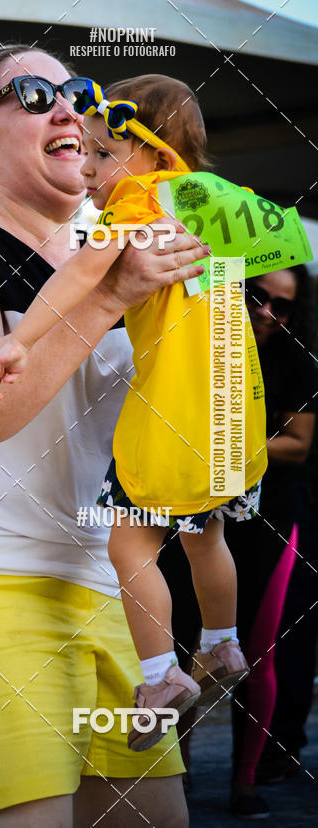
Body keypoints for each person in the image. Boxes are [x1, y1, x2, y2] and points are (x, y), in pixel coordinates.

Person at [0, 45, 209, 828]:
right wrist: (110, 297)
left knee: (154, 820)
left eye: (80, 94)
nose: (70, 110)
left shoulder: (109, 248)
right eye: (33, 94)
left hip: (97, 581)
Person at [0, 75, 267, 751]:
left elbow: (82, 274)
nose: (87, 168)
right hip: (231, 418)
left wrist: (20, 340)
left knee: (129, 546)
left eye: (103, 153)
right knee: (207, 538)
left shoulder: (139, 200)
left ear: (155, 155)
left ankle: (162, 677)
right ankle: (223, 642)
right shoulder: (214, 201)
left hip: (169, 419)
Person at [224, 266, 318, 817]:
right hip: (194, 516)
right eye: (257, 295)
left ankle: (245, 782)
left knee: (257, 654)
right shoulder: (199, 341)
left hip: (271, 520)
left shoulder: (298, 360)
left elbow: (297, 446)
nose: (266, 312)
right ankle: (171, 774)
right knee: (177, 649)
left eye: (282, 306)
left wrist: (223, 447)